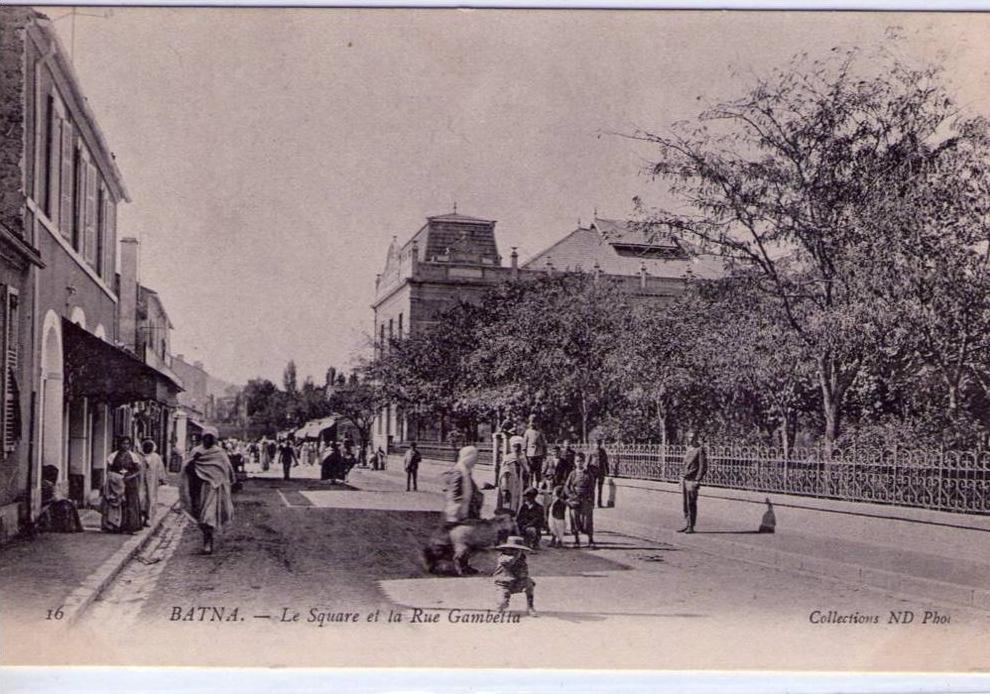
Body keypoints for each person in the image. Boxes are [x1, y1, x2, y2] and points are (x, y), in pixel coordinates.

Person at [180, 425, 234, 554]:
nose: (208, 440)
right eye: (206, 437)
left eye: (211, 438)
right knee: (201, 518)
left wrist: (227, 482)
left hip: (214, 489)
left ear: (215, 439)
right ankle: (207, 537)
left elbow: (227, 469)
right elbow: (187, 469)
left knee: (209, 516)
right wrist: (195, 460)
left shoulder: (219, 452)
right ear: (203, 438)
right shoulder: (196, 451)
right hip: (199, 488)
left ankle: (208, 542)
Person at [103, 436, 144, 534]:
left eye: (127, 444)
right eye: (123, 443)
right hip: (117, 483)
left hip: (130, 482)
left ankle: (130, 526)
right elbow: (108, 470)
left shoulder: (133, 456)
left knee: (130, 503)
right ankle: (115, 525)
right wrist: (116, 478)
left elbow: (138, 470)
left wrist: (130, 477)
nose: (125, 446)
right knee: (117, 503)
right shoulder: (113, 456)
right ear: (119, 444)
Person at [493, 535, 537, 617]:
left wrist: (523, 578)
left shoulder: (521, 558)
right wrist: (516, 555)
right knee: (502, 604)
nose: (514, 551)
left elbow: (524, 571)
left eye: (517, 549)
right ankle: (502, 607)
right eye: (512, 549)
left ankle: (530, 607)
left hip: (517, 582)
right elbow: (509, 562)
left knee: (529, 583)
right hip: (504, 584)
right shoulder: (503, 557)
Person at [564, 452, 596, 548]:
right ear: (575, 462)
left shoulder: (588, 474)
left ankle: (590, 540)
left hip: (586, 499)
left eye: (581, 461)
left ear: (584, 461)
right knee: (575, 519)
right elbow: (566, 487)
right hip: (575, 499)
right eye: (577, 461)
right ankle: (576, 540)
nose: (579, 463)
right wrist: (571, 496)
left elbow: (592, 488)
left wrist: (591, 501)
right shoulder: (572, 474)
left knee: (587, 521)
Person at [678, 430, 708, 534]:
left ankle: (691, 525)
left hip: (692, 480)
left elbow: (703, 467)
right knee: (685, 503)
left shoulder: (699, 450)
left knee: (691, 503)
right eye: (689, 437)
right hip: (685, 479)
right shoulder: (689, 449)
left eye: (693, 437)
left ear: (696, 438)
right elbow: (684, 464)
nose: (691, 439)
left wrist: (697, 480)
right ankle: (687, 523)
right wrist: (681, 478)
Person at [141, 439, 168, 524]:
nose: (147, 448)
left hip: (152, 481)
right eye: (146, 446)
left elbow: (160, 469)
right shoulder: (140, 456)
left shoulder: (156, 457)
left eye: (149, 447)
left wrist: (162, 479)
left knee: (151, 498)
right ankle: (141, 517)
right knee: (141, 498)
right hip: (141, 481)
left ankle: (149, 518)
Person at [498, 439, 525, 514]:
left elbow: (526, 470)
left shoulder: (522, 458)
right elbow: (504, 473)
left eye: (519, 447)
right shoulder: (508, 458)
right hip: (510, 484)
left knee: (518, 501)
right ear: (512, 447)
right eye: (515, 446)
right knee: (508, 503)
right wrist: (505, 488)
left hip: (519, 483)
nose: (517, 449)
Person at [522, 415, 547, 485]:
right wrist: (525, 455)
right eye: (531, 422)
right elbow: (524, 444)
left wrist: (544, 454)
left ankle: (537, 485)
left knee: (538, 471)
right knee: (530, 471)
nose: (533, 424)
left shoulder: (540, 432)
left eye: (534, 422)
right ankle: (530, 485)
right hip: (530, 454)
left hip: (539, 454)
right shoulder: (527, 432)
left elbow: (544, 444)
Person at [588, 438, 611, 508]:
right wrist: (587, 470)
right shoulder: (592, 451)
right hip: (593, 471)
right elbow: (588, 461)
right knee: (592, 488)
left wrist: (607, 470)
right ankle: (592, 503)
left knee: (600, 488)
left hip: (601, 471)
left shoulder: (603, 451)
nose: (597, 445)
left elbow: (606, 461)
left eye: (599, 444)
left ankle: (599, 503)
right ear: (594, 444)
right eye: (596, 444)